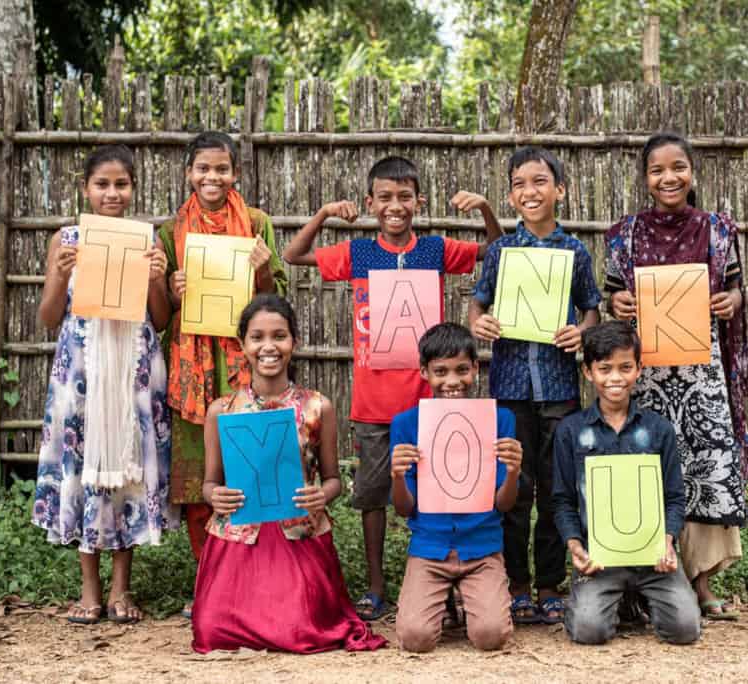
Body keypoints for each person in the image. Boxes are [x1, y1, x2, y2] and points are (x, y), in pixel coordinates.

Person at [282, 156, 502, 620]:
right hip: (374, 403)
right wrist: (323, 214)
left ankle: (441, 576)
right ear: (370, 203)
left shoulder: (437, 249)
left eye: (405, 197)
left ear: (420, 201)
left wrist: (484, 208)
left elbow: (497, 250)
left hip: (433, 400)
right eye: (384, 197)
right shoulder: (358, 253)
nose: (395, 206)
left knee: (444, 488)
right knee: (373, 495)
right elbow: (293, 255)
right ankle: (378, 585)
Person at [604, 131, 748, 620]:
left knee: (704, 466)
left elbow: (736, 291)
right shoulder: (623, 234)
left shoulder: (717, 230)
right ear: (645, 179)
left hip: (700, 371)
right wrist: (617, 303)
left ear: (692, 172)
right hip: (643, 372)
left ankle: (703, 583)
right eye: (657, 170)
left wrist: (729, 302)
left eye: (678, 168)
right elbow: (611, 296)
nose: (669, 178)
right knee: (646, 466)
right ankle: (650, 582)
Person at [32, 145, 179, 624]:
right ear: (86, 189)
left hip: (135, 370)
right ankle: (89, 590)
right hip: (82, 372)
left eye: (122, 184)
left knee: (128, 471)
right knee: (82, 468)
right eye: (102, 184)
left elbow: (159, 319)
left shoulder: (147, 240)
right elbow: (49, 317)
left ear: (133, 188)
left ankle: (121, 591)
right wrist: (59, 274)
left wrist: (157, 278)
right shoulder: (67, 239)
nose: (112, 193)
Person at [191, 294, 386, 654]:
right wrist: (213, 496)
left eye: (279, 336)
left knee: (299, 630)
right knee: (210, 632)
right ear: (242, 344)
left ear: (293, 342)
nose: (269, 346)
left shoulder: (317, 407)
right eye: (257, 337)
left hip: (297, 537)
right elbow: (209, 483)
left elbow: (333, 480)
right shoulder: (222, 410)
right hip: (238, 541)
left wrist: (322, 495)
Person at [468, 146, 602, 624]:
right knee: (512, 487)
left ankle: (550, 584)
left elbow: (591, 309)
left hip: (559, 388)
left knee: (555, 486)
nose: (531, 191)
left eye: (541, 181)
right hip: (508, 387)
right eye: (520, 183)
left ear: (560, 190)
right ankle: (516, 583)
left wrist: (581, 331)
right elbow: (477, 306)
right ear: (510, 194)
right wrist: (479, 324)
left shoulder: (575, 252)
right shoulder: (501, 251)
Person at [160, 131, 288, 617]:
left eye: (221, 169)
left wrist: (260, 269)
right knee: (201, 484)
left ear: (236, 173)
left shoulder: (256, 225)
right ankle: (212, 580)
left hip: (244, 367)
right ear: (189, 173)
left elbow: (275, 301)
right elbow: (162, 312)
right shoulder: (171, 232)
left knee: (252, 470)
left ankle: (257, 578)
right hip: (194, 374)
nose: (211, 178)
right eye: (202, 169)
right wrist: (171, 289)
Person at [552, 322, 701, 645]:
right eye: (604, 369)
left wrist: (667, 540)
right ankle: (614, 601)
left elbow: (674, 497)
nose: (615, 378)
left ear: (639, 369)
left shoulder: (658, 430)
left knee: (685, 629)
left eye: (625, 367)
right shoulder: (571, 431)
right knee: (588, 631)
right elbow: (562, 500)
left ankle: (641, 598)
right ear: (589, 372)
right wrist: (575, 547)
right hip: (600, 558)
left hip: (653, 557)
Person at [389, 323, 522, 652]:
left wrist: (514, 472)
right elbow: (405, 508)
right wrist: (396, 475)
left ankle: (471, 596)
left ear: (476, 369)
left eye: (462, 369)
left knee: (491, 636)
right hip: (430, 548)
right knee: (414, 638)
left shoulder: (499, 419)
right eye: (440, 371)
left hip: (482, 546)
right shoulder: (406, 424)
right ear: (424, 372)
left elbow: (504, 504)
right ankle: (443, 597)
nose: (452, 381)